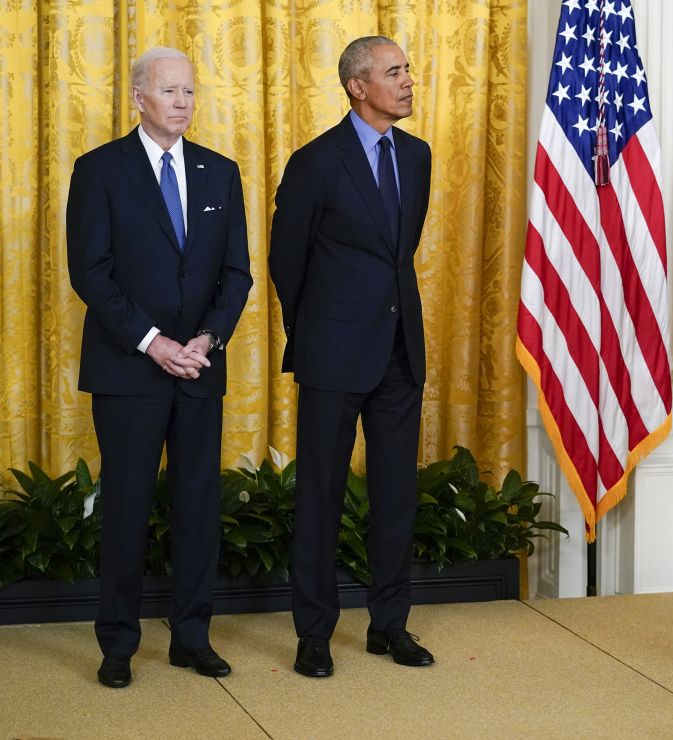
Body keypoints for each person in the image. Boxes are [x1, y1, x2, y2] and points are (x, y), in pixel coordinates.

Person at [66, 47, 252, 688]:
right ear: (139, 97)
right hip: (129, 370)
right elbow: (89, 272)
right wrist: (153, 342)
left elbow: (237, 273)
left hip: (199, 368)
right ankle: (117, 643)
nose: (183, 102)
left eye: (191, 92)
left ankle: (192, 638)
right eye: (170, 91)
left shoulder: (221, 173)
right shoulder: (99, 171)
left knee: (199, 506)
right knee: (126, 506)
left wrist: (205, 339)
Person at [269, 35, 434, 678]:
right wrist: (318, 331)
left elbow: (399, 254)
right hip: (333, 353)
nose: (409, 80)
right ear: (358, 87)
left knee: (395, 497)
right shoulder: (316, 161)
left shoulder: (417, 156)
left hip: (399, 353)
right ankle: (314, 633)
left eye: (409, 70)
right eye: (395, 72)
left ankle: (388, 626)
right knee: (320, 495)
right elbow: (288, 261)